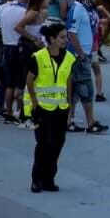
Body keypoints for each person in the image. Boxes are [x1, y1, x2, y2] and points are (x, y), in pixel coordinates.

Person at [26, 23, 73, 193]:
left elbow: (68, 80)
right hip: (43, 108)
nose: (64, 40)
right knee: (43, 143)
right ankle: (36, 179)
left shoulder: (68, 57)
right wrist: (34, 102)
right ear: (51, 39)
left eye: (65, 37)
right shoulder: (38, 57)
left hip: (60, 107)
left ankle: (49, 178)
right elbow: (30, 80)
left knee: (58, 143)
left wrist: (69, 106)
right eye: (61, 37)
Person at [64, 0, 107, 134]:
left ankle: (69, 121)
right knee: (87, 90)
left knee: (74, 91)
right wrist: (81, 54)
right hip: (78, 56)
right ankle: (91, 123)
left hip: (84, 53)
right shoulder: (78, 9)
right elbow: (72, 33)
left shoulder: (85, 8)